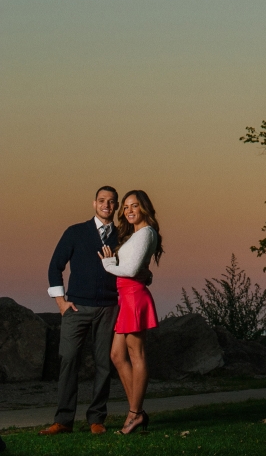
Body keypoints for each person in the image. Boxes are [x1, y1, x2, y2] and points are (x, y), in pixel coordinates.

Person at [41, 186, 121, 436]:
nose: (106, 205)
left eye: (111, 201)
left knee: (103, 365)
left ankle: (96, 419)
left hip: (108, 308)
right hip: (76, 307)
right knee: (67, 359)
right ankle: (64, 420)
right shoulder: (75, 232)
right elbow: (55, 266)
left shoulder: (122, 236)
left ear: (116, 206)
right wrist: (61, 302)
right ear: (94, 203)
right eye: (101, 200)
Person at [100, 189, 162, 435]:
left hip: (134, 297)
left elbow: (132, 268)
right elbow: (135, 267)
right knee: (117, 355)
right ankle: (136, 411)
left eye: (134, 205)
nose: (128, 211)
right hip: (126, 297)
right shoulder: (135, 235)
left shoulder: (146, 233)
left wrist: (108, 264)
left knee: (137, 355)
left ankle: (135, 415)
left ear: (144, 207)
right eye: (125, 207)